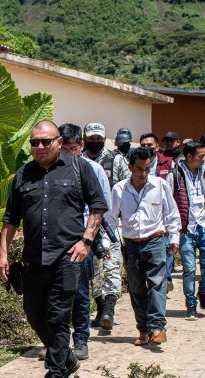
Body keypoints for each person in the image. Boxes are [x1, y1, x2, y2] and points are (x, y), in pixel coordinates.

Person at [0, 120, 107, 378]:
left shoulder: (79, 168)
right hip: (33, 259)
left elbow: (98, 207)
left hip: (67, 258)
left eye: (46, 141)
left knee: (58, 318)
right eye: (35, 142)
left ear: (59, 141)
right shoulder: (23, 175)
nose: (40, 147)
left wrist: (86, 240)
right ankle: (67, 358)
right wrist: (3, 253)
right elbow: (10, 219)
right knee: (34, 313)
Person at [105, 148, 180, 346]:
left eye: (147, 169)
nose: (143, 174)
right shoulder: (119, 189)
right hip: (131, 244)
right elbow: (111, 219)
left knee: (157, 284)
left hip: (155, 241)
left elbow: (171, 213)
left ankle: (158, 327)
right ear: (130, 167)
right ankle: (144, 330)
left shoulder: (160, 185)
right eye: (139, 169)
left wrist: (174, 238)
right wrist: (107, 243)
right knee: (136, 288)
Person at [60, 123, 112, 361]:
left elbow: (102, 207)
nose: (68, 154)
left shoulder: (92, 169)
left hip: (83, 240)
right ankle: (58, 343)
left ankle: (81, 339)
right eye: (63, 149)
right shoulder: (50, 170)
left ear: (80, 146)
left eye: (72, 148)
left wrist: (90, 239)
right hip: (57, 240)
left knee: (80, 292)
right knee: (57, 295)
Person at [166, 141, 205, 320]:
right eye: (201, 156)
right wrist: (172, 228)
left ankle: (203, 291)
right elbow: (168, 204)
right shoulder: (175, 175)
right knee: (189, 268)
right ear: (189, 156)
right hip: (185, 229)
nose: (204, 159)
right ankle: (191, 305)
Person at [81, 123, 123, 329]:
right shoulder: (77, 161)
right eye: (91, 138)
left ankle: (110, 309)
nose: (95, 142)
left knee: (112, 266)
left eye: (99, 139)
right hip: (85, 224)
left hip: (110, 222)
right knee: (94, 271)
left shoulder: (115, 160)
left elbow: (126, 187)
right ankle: (100, 307)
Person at [158, 131, 183, 291]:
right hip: (162, 207)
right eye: (166, 141)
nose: (169, 143)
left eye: (172, 141)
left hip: (181, 205)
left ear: (178, 142)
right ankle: (166, 279)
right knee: (166, 243)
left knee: (173, 241)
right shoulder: (159, 160)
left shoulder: (183, 159)